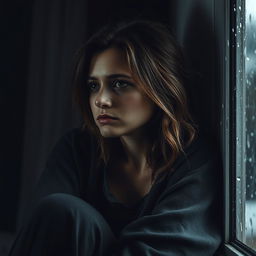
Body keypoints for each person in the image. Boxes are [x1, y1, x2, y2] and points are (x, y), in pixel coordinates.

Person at [8, 19, 223, 256]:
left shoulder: (194, 159)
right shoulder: (78, 148)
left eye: (120, 84)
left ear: (160, 87)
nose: (101, 100)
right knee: (62, 210)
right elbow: (39, 233)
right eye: (93, 86)